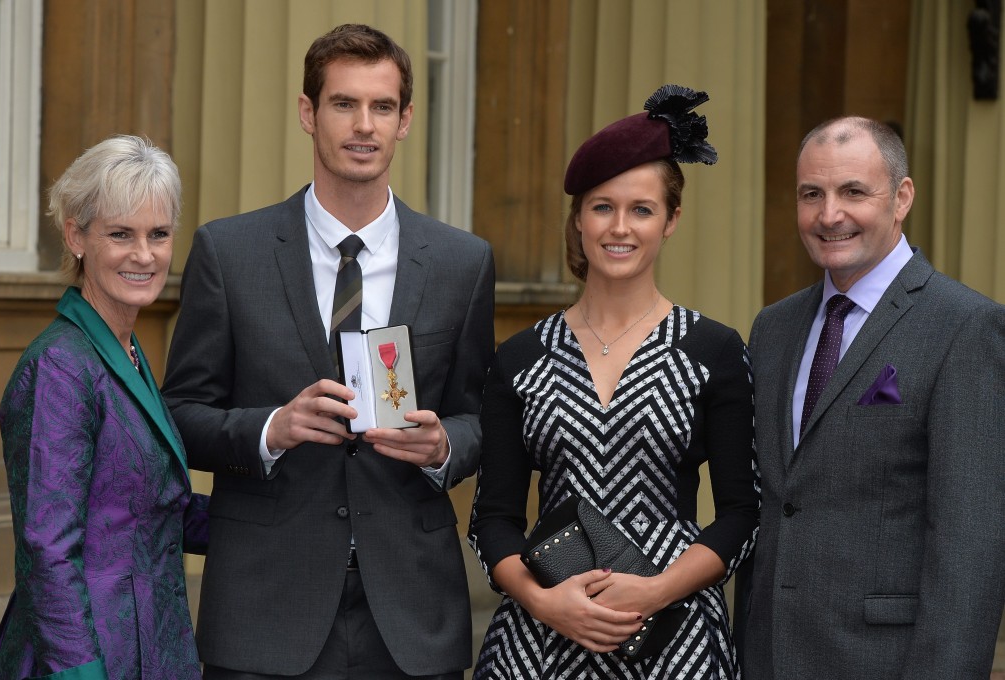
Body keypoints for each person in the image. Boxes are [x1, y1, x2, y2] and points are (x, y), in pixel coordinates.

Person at [162, 23, 495, 679]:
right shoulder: (230, 254)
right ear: (309, 113)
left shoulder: (464, 262)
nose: (363, 125)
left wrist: (445, 448)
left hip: (410, 612)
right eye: (344, 104)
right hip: (263, 609)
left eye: (382, 106)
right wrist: (268, 429)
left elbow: (482, 417)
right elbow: (178, 414)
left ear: (404, 120)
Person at [468, 85, 759, 679]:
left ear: (671, 220)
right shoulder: (520, 357)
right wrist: (547, 603)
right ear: (577, 218)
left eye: (641, 209)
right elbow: (491, 519)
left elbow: (740, 514)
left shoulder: (714, 351)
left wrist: (652, 592)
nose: (619, 227)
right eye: (602, 207)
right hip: (540, 641)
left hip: (675, 641)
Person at [741, 117, 1005, 678]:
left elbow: (970, 545)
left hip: (886, 661)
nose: (829, 214)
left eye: (853, 192)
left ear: (902, 197)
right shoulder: (774, 328)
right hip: (769, 654)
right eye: (812, 194)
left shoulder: (966, 328)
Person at [0, 135, 209, 679]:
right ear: (76, 236)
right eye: (121, 234)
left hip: (149, 644)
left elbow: (153, 511)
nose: (145, 254)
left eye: (158, 234)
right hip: (86, 658)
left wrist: (290, 510)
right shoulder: (60, 367)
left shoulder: (124, 350)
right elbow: (47, 549)